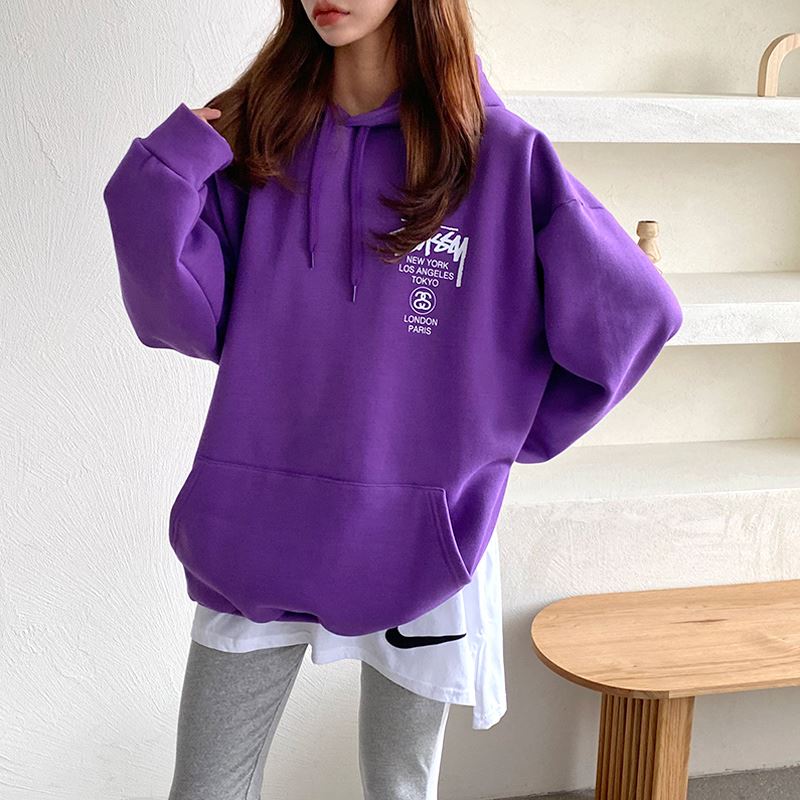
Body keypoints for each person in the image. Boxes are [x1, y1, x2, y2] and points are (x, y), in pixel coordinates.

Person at [102, 0, 684, 797]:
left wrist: (494, 439)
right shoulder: (264, 143)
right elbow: (185, 321)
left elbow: (635, 315)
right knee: (206, 787)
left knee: (398, 786)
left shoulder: (498, 155)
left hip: (422, 539)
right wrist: (165, 174)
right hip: (255, 523)